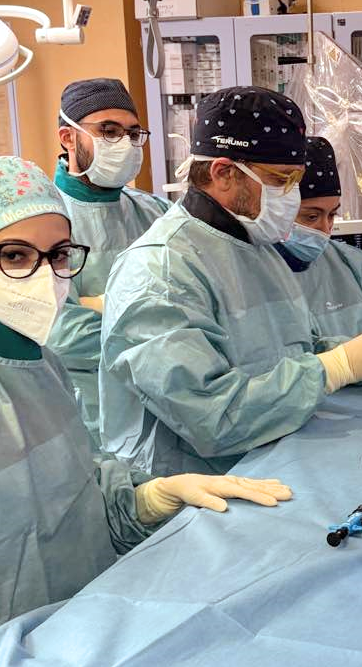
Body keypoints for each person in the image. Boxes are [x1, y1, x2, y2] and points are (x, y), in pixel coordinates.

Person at [99, 86, 362, 478]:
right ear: (223, 173)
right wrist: (335, 367)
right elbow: (211, 417)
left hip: (269, 459)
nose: (291, 196)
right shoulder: (161, 270)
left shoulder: (254, 246)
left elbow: (291, 348)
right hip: (197, 489)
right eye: (281, 180)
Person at [0, 156, 293, 624]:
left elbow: (73, 494)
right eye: (14, 256)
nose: (45, 275)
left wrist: (146, 499)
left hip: (77, 621)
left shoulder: (41, 367)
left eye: (58, 255)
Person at [47, 78, 170, 447]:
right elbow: (58, 333)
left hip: (167, 403)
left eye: (133, 133)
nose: (125, 143)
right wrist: (161, 327)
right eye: (109, 131)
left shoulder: (156, 212)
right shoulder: (44, 221)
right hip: (88, 413)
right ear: (68, 138)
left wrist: (103, 308)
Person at [275, 136, 362, 352]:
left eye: (332, 214)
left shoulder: (358, 268)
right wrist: (344, 361)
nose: (325, 228)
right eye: (311, 216)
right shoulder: (253, 272)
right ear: (279, 210)